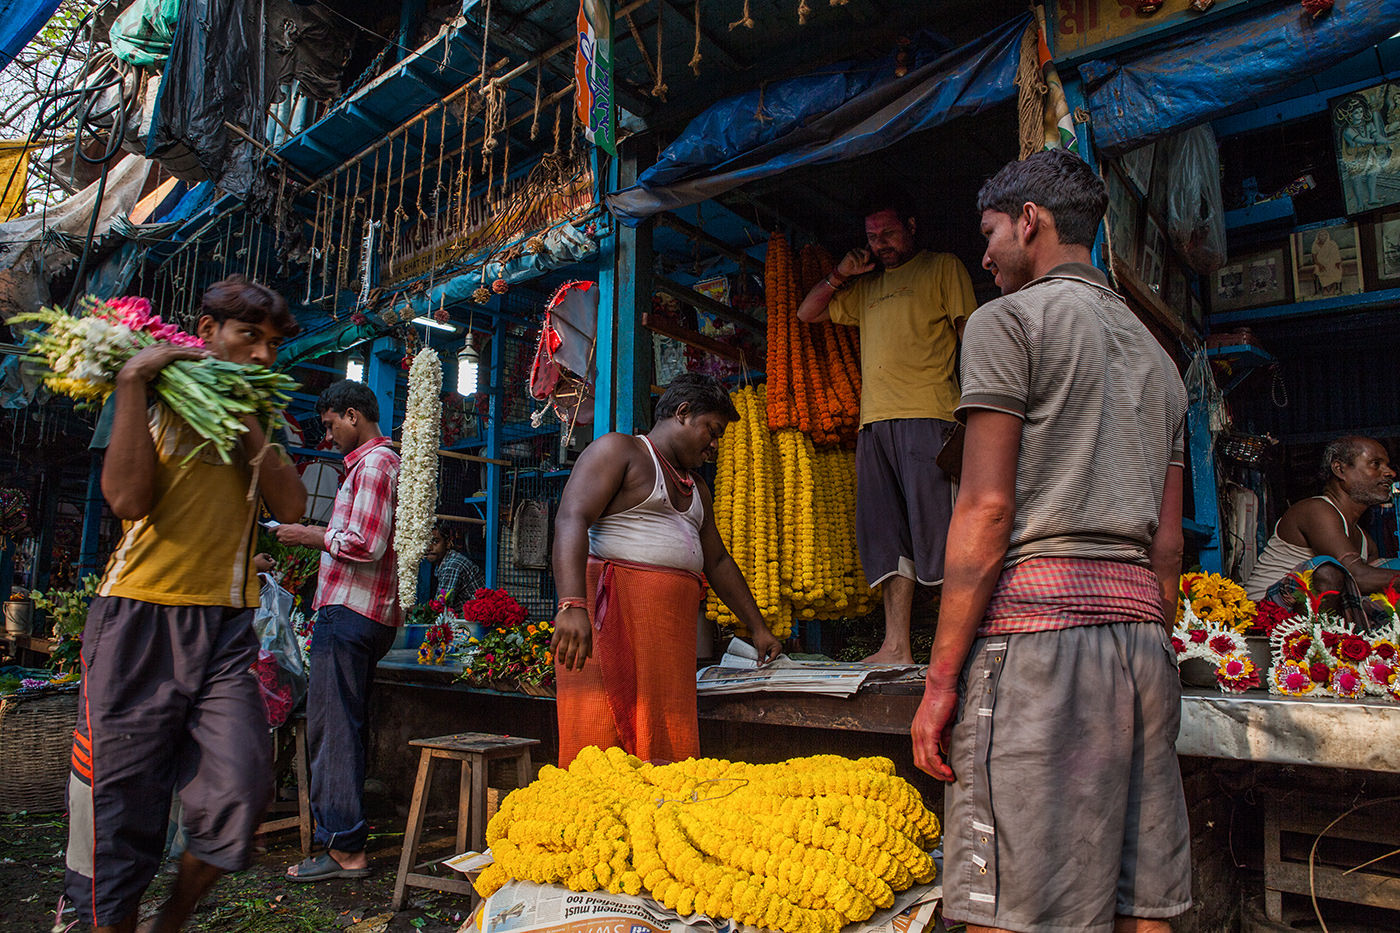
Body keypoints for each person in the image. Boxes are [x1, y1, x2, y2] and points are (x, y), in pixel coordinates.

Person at [911, 149, 1192, 933]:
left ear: (1029, 221)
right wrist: (1147, 650)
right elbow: (1166, 547)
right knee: (1141, 897)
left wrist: (939, 683)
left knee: (1014, 901)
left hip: (1038, 650)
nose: (986, 251)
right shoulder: (1159, 360)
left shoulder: (1009, 321)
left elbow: (986, 509)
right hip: (1142, 647)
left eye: (991, 231)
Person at [65, 276, 306, 933]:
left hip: (227, 627)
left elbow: (291, 507)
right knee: (118, 809)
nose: (261, 355)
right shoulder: (159, 401)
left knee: (243, 787)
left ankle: (168, 919)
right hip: (137, 619)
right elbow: (128, 501)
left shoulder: (257, 419)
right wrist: (135, 381)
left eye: (272, 343)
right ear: (205, 334)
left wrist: (248, 420)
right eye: (247, 336)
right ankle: (103, 919)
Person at [551, 373, 783, 767]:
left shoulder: (697, 490)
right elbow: (571, 518)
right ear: (682, 413)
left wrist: (757, 627)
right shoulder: (619, 451)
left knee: (663, 740)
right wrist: (572, 604)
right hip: (610, 625)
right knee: (601, 739)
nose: (714, 445)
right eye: (712, 431)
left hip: (668, 638)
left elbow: (719, 561)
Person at [796, 193, 977, 663]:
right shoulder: (867, 287)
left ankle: (954, 650)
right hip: (872, 426)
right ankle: (896, 647)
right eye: (872, 237)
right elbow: (807, 313)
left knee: (941, 534)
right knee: (887, 537)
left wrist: (977, 410)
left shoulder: (943, 267)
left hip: (931, 416)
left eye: (889, 233)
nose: (881, 245)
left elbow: (971, 336)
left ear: (912, 226)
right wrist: (841, 274)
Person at [275, 380, 401, 882]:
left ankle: (345, 848)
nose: (327, 437)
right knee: (344, 725)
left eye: (329, 425)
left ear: (353, 415)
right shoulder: (375, 465)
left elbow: (364, 544)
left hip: (350, 611)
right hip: (363, 613)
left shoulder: (373, 465)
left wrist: (308, 534)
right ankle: (345, 836)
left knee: (334, 729)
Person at [1245, 436, 1400, 629]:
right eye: (1375, 464)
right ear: (1340, 469)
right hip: (1263, 616)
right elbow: (1357, 576)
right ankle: (1323, 647)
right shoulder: (1316, 509)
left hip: (1308, 617)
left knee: (1391, 569)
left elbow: (1367, 586)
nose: (1390, 473)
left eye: (1388, 465)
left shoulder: (1366, 541)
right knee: (1328, 570)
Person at [423, 523, 485, 606]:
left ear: (448, 543)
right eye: (425, 542)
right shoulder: (444, 563)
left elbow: (439, 607)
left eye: (435, 541)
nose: (429, 547)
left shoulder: (452, 565)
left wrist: (412, 609)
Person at [1311, 229, 1344, 295]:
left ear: (1327, 236)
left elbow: (1336, 255)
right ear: (1318, 236)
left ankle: (1333, 287)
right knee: (1320, 270)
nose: (1323, 237)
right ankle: (1325, 288)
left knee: (1334, 268)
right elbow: (1314, 259)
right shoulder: (1315, 245)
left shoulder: (1332, 244)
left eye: (1325, 235)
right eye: (1321, 235)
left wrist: (1337, 262)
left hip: (1331, 261)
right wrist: (1320, 265)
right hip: (1320, 263)